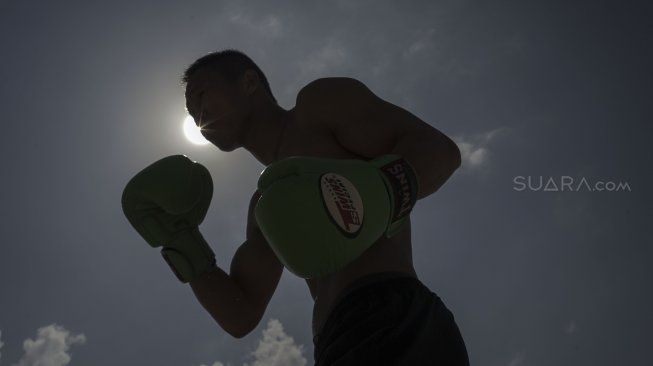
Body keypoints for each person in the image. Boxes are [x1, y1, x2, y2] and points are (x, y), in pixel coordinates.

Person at [122, 49, 469, 365]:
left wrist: (375, 193)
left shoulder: (319, 107)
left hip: (396, 319)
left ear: (248, 81)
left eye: (200, 94)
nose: (196, 113)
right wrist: (181, 241)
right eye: (188, 110)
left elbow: (439, 152)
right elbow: (240, 315)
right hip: (334, 341)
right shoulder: (266, 203)